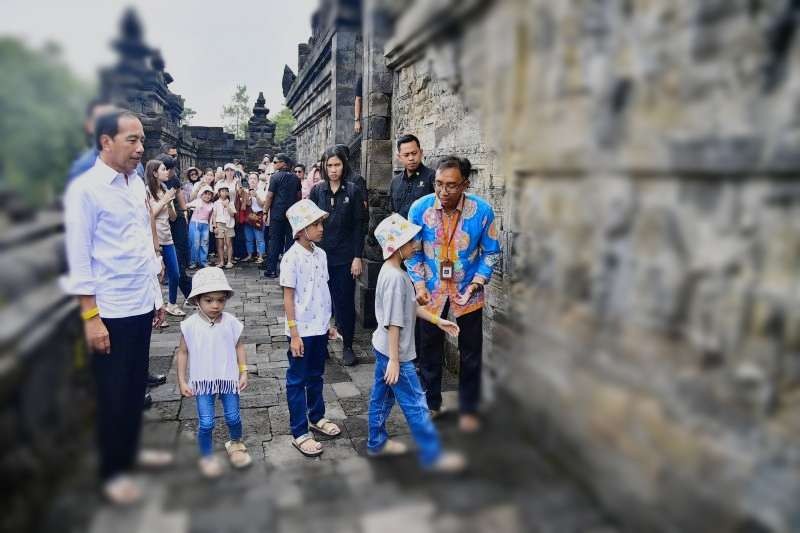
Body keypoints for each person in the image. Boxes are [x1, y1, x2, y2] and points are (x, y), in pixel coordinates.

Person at [61, 109, 171, 505]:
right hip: (108, 311)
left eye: (142, 140)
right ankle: (111, 471)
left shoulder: (134, 182)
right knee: (111, 393)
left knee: (133, 388)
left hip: (139, 302)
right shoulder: (87, 190)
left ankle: (127, 454)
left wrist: (156, 297)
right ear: (105, 142)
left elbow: (143, 244)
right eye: (132, 140)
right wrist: (91, 318)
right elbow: (79, 258)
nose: (141, 148)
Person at [407, 155, 501, 433]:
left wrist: (477, 283)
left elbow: (492, 251)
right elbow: (411, 252)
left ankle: (469, 407)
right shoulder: (419, 209)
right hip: (431, 291)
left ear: (465, 184)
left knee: (471, 352)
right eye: (438, 184)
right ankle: (431, 403)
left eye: (451, 186)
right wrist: (419, 284)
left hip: (468, 291)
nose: (443, 192)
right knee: (428, 348)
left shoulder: (482, 212)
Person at [367, 214, 465, 472]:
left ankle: (376, 442)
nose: (416, 245)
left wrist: (437, 321)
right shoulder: (396, 279)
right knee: (417, 403)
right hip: (395, 352)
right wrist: (396, 361)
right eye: (410, 241)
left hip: (384, 349)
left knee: (382, 398)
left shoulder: (393, 272)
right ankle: (433, 455)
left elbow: (410, 306)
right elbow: (393, 323)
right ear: (397, 246)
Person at [176, 267, 252, 477]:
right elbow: (183, 353)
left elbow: (239, 346)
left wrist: (243, 372)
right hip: (203, 382)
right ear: (197, 300)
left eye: (220, 300)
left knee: (233, 417)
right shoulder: (189, 325)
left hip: (228, 379)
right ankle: (206, 455)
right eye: (209, 300)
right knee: (207, 422)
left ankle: (235, 443)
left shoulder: (231, 323)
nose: (215, 305)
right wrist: (182, 381)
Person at [280, 199, 342, 457]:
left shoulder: (321, 254)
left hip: (318, 327)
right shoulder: (291, 258)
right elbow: (288, 297)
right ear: (301, 229)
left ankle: (317, 416)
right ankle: (299, 431)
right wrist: (294, 334)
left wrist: (328, 323)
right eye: (315, 224)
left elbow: (323, 290)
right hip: (301, 330)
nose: (321, 228)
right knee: (297, 380)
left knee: (316, 374)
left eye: (320, 223)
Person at [309, 145, 365, 366]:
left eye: (337, 165)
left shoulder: (352, 190)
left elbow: (359, 226)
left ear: (344, 165)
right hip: (320, 256)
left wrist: (357, 256)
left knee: (344, 302)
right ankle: (321, 343)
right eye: (329, 165)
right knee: (320, 300)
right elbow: (309, 224)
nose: (333, 169)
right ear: (324, 167)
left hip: (344, 257)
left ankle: (348, 345)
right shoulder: (317, 191)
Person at [144, 159, 185, 318]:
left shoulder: (165, 188)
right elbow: (150, 215)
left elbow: (173, 217)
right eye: (163, 169)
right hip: (154, 238)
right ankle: (156, 309)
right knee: (157, 275)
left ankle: (172, 304)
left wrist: (168, 203)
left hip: (168, 237)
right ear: (154, 173)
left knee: (175, 273)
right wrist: (164, 200)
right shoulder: (147, 191)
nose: (167, 172)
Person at [155, 153, 192, 307]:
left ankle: (183, 297)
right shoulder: (151, 187)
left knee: (177, 264)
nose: (169, 173)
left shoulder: (173, 181)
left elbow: (180, 208)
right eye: (165, 169)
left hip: (174, 224)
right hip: (162, 226)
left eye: (168, 169)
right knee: (170, 266)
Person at [263, 153, 301, 278]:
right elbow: (299, 196)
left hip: (277, 214)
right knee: (290, 242)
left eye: (275, 162)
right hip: (291, 214)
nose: (273, 164)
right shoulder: (296, 178)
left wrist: (265, 211)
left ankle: (271, 270)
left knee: (274, 241)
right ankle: (289, 270)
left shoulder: (275, 177)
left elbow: (269, 196)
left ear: (283, 163)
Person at [66, 99, 118, 183]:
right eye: (101, 120)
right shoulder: (82, 168)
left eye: (113, 119)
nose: (109, 125)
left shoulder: (134, 164)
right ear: (89, 126)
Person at [390, 134, 435, 219]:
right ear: (399, 157)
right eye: (406, 155)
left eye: (414, 153)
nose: (411, 158)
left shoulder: (433, 178)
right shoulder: (395, 181)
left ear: (421, 152)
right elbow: (393, 211)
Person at [187, 185, 214, 268]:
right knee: (195, 243)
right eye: (205, 194)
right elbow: (186, 205)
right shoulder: (197, 201)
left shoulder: (212, 205)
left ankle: (203, 261)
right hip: (195, 223)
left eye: (209, 194)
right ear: (201, 194)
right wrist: (192, 206)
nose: (207, 196)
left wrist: (211, 226)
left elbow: (211, 217)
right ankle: (193, 261)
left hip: (205, 225)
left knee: (204, 243)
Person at [211, 182, 236, 269]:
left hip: (229, 224)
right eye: (222, 191)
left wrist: (227, 206)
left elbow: (233, 214)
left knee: (229, 243)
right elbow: (214, 215)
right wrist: (215, 226)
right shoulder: (216, 203)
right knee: (220, 244)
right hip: (219, 224)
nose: (224, 193)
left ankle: (229, 261)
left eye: (226, 191)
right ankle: (221, 261)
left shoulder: (231, 202)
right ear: (219, 193)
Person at [242, 173, 266, 264]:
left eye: (254, 179)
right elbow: (246, 205)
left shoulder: (261, 191)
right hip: (248, 216)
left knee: (259, 238)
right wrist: (247, 196)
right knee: (249, 238)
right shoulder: (245, 191)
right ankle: (250, 255)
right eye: (251, 178)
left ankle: (260, 256)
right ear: (248, 181)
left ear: (258, 181)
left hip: (258, 216)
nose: (252, 180)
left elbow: (262, 204)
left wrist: (256, 195)